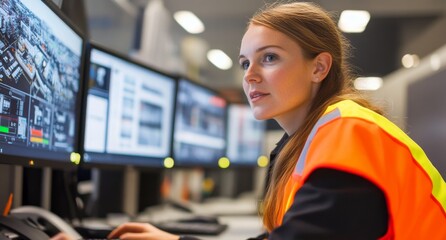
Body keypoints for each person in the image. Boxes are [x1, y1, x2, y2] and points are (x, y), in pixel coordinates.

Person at [54, 2, 446, 240]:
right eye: (245, 62)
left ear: (319, 67)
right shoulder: (306, 141)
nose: (250, 75)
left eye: (269, 58)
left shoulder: (348, 134)